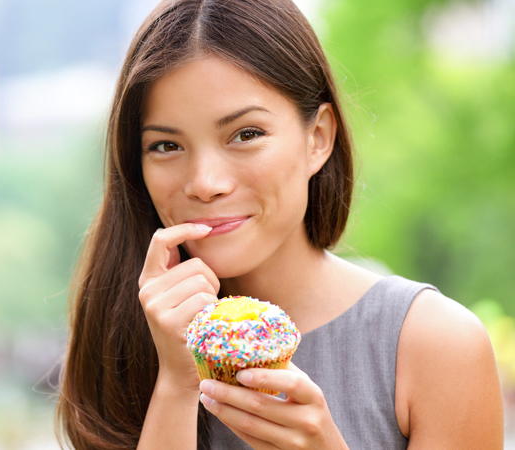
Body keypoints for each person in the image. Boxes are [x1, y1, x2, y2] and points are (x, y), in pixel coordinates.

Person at [55, 0, 504, 448]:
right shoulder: (123, 339)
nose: (205, 184)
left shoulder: (436, 346)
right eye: (166, 145)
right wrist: (176, 384)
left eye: (246, 134)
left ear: (318, 138)